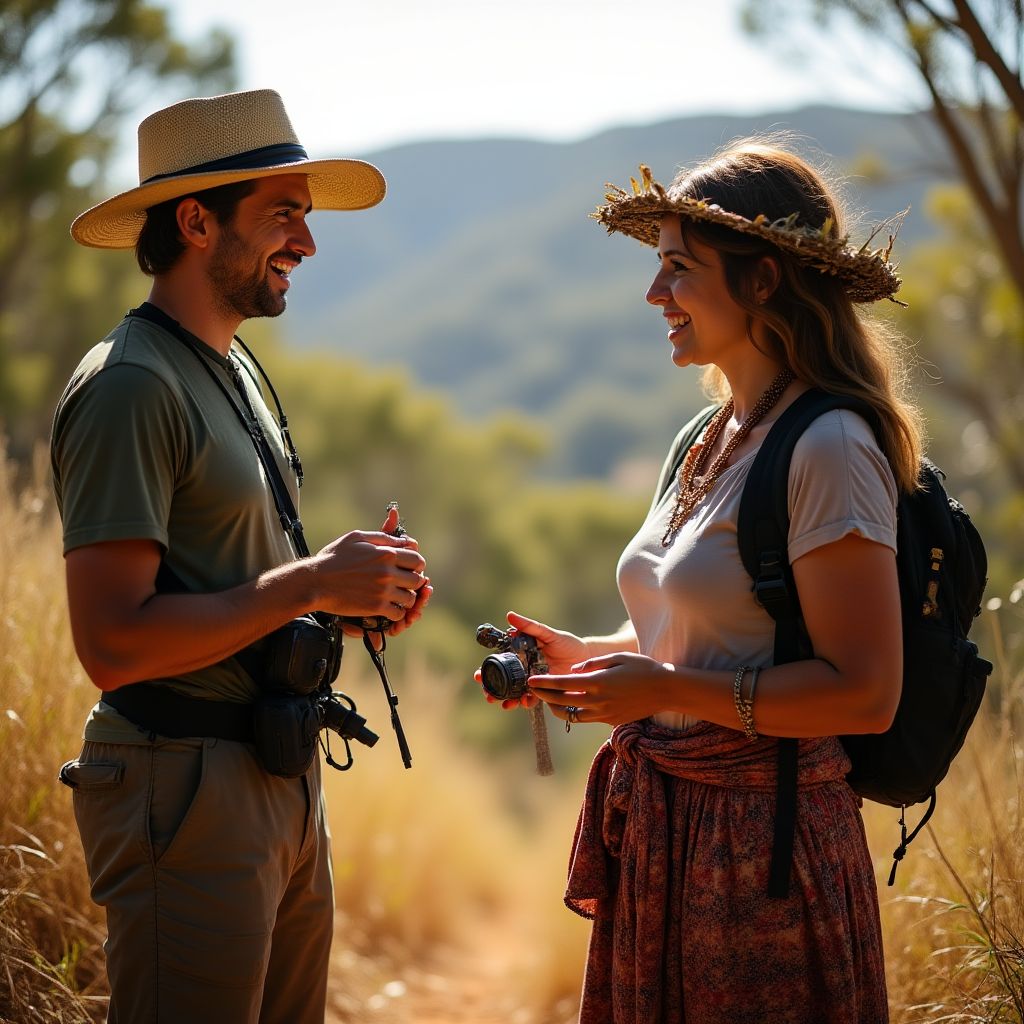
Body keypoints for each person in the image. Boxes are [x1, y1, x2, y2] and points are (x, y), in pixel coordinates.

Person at [488, 140, 922, 1023]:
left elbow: (867, 692)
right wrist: (584, 659)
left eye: (680, 269)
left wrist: (663, 688)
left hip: (765, 854)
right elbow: (694, 632)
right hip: (671, 834)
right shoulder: (705, 436)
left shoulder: (831, 448)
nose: (656, 295)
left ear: (763, 281)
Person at [51, 89, 432, 1023]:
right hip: (182, 787)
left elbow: (231, 576)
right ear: (194, 221)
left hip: (275, 776)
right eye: (283, 214)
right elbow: (111, 643)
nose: (306, 242)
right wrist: (309, 581)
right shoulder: (131, 387)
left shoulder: (230, 365)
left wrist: (350, 593)